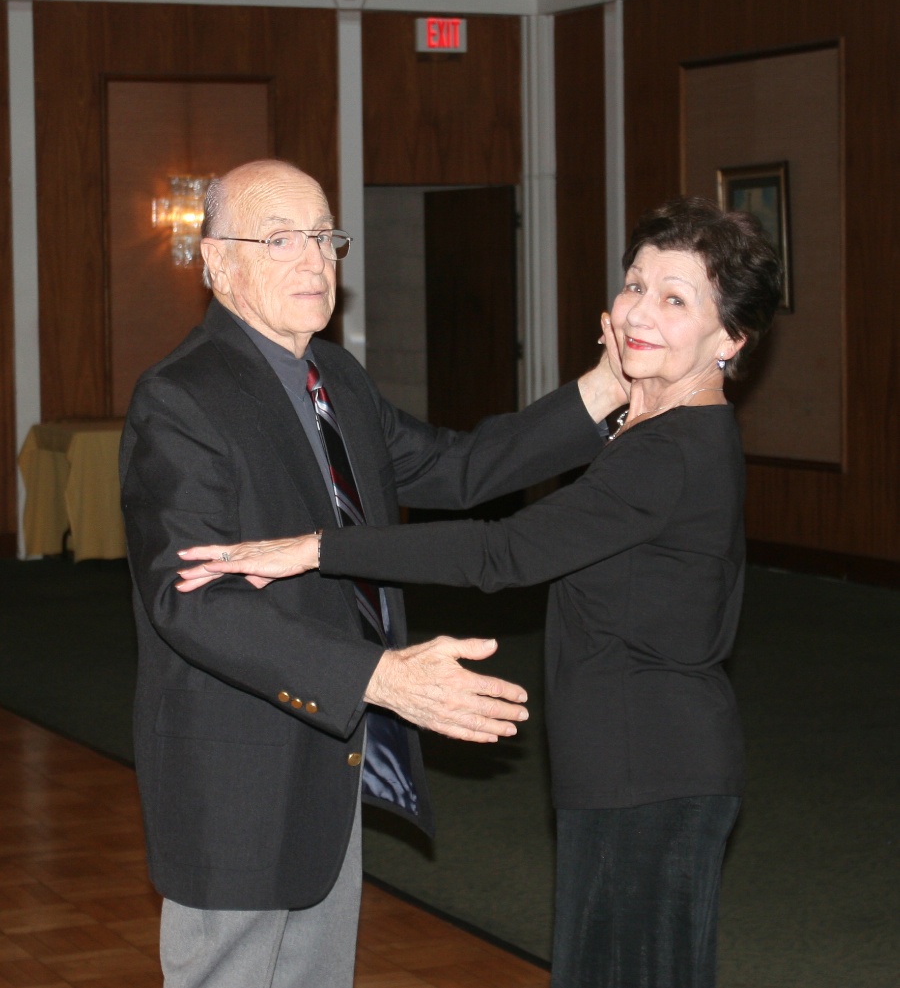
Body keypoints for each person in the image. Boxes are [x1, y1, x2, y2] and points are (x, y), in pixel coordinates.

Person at [177, 196, 783, 988]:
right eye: (635, 284)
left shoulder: (662, 450)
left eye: (677, 298)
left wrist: (316, 547)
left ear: (731, 338)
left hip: (648, 766)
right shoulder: (668, 431)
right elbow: (472, 473)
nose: (638, 310)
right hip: (650, 760)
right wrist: (613, 398)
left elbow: (499, 551)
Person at [120, 157, 627, 988]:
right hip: (238, 777)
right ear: (216, 262)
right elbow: (193, 604)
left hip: (331, 753)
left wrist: (603, 388)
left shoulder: (336, 379)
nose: (314, 261)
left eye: (324, 236)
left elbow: (460, 469)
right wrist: (380, 675)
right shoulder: (180, 399)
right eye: (280, 238)